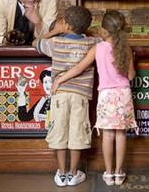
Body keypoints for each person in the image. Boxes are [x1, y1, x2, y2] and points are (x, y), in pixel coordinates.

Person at [51, 10, 138, 186]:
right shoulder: (126, 49)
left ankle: (108, 173)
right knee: (121, 134)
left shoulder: (98, 48)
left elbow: (79, 68)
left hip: (106, 96)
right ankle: (118, 173)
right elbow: (130, 76)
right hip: (123, 95)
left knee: (107, 135)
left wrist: (59, 79)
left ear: (104, 30)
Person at [32, 5, 99, 187]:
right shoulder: (92, 43)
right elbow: (106, 40)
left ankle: (61, 174)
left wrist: (55, 31)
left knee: (60, 131)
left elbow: (36, 42)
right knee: (77, 134)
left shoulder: (55, 43)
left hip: (59, 94)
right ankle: (73, 173)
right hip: (80, 96)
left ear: (66, 25)